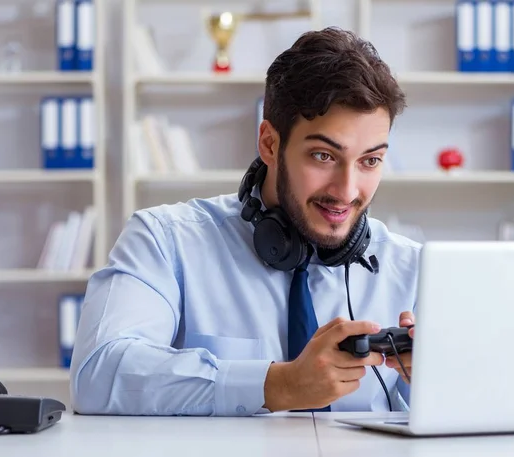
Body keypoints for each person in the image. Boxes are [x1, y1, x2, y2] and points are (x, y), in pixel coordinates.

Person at [69, 26, 420, 416]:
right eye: (323, 156)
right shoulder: (165, 241)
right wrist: (278, 385)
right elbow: (98, 376)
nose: (347, 190)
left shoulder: (415, 269)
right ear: (270, 143)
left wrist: (445, 379)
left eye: (370, 161)